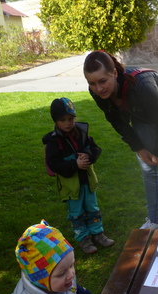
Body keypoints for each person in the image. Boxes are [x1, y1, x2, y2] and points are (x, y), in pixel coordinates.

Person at [83, 51, 158, 229]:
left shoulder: (143, 86)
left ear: (114, 73)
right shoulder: (97, 93)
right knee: (148, 170)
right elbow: (116, 120)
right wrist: (138, 147)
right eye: (92, 83)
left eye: (102, 81)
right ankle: (154, 221)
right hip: (140, 113)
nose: (99, 88)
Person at [42, 97, 114, 254]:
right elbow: (54, 164)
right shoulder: (54, 142)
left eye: (71, 119)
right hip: (71, 187)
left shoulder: (81, 134)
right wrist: (75, 164)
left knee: (92, 209)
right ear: (56, 121)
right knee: (76, 214)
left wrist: (88, 155)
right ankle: (84, 239)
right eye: (63, 120)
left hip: (87, 182)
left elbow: (94, 148)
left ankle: (98, 233)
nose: (68, 123)